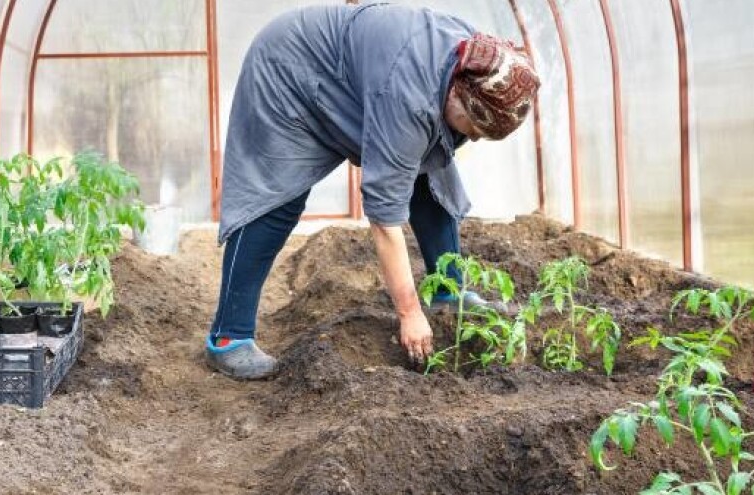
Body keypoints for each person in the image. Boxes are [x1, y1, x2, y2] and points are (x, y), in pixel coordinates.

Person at [205, 4, 540, 379]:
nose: (474, 138)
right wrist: (409, 313)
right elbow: (384, 219)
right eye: (474, 127)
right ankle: (229, 337)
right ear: (456, 97)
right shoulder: (409, 98)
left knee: (431, 171)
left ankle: (448, 293)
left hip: (364, 76)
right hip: (290, 69)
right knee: (277, 201)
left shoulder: (477, 59)